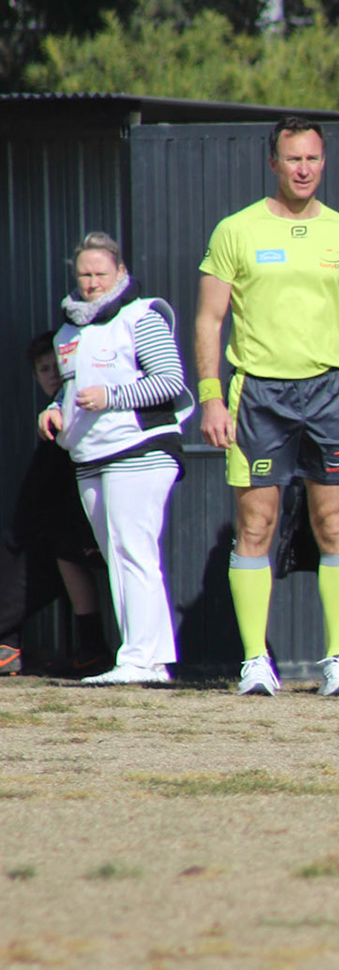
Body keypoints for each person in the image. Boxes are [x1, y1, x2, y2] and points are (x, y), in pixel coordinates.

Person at [194, 115, 339, 697]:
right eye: (293, 159)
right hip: (259, 395)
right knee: (256, 525)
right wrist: (211, 398)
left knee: (334, 523)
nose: (303, 169)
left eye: (312, 158)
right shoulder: (236, 230)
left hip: (328, 394)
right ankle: (255, 661)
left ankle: (338, 660)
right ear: (274, 163)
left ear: (322, 162)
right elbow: (209, 319)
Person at [40, 233, 188, 685]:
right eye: (84, 274)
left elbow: (171, 381)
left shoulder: (142, 316)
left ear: (120, 272)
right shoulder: (68, 331)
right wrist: (53, 409)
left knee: (133, 550)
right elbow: (70, 387)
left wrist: (113, 396)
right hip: (89, 455)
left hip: (139, 448)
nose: (92, 282)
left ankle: (142, 658)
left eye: (101, 273)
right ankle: (147, 658)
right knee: (117, 554)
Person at [0, 332, 108, 677]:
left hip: (81, 524)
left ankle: (91, 648)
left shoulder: (80, 413)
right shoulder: (50, 422)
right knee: (18, 547)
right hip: (44, 530)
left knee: (60, 549)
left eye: (56, 367)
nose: (52, 375)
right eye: (43, 369)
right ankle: (8, 644)